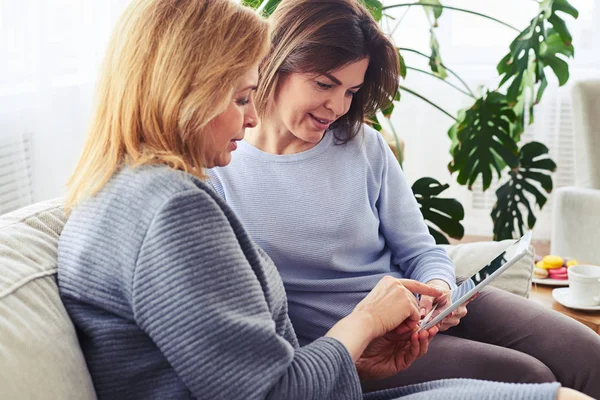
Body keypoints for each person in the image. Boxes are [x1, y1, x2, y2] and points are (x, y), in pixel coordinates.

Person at [207, 0, 600, 398]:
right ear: (275, 62)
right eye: (325, 85)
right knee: (525, 376)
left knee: (587, 353)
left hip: (427, 308)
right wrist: (367, 330)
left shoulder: (364, 145)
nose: (339, 106)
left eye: (352, 91)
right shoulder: (219, 168)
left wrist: (439, 290)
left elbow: (420, 250)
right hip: (364, 345)